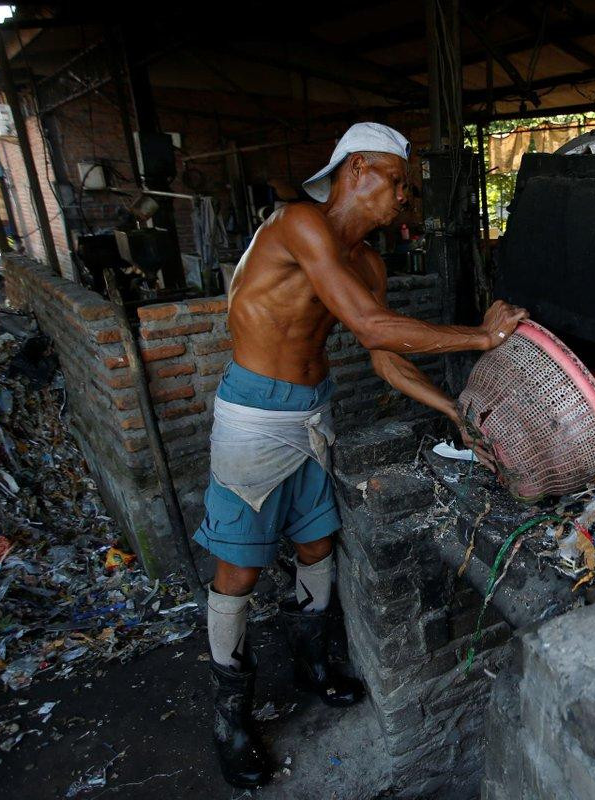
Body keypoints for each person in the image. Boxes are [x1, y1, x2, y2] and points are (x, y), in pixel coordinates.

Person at [194, 122, 526, 788]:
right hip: (254, 415)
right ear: (355, 170)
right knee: (239, 566)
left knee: (317, 544)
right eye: (397, 180)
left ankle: (315, 664)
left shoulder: (368, 261)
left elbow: (384, 356)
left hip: (312, 409)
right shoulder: (300, 225)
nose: (404, 197)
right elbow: (371, 325)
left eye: (407, 187)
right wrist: (481, 340)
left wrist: (452, 411)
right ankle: (229, 717)